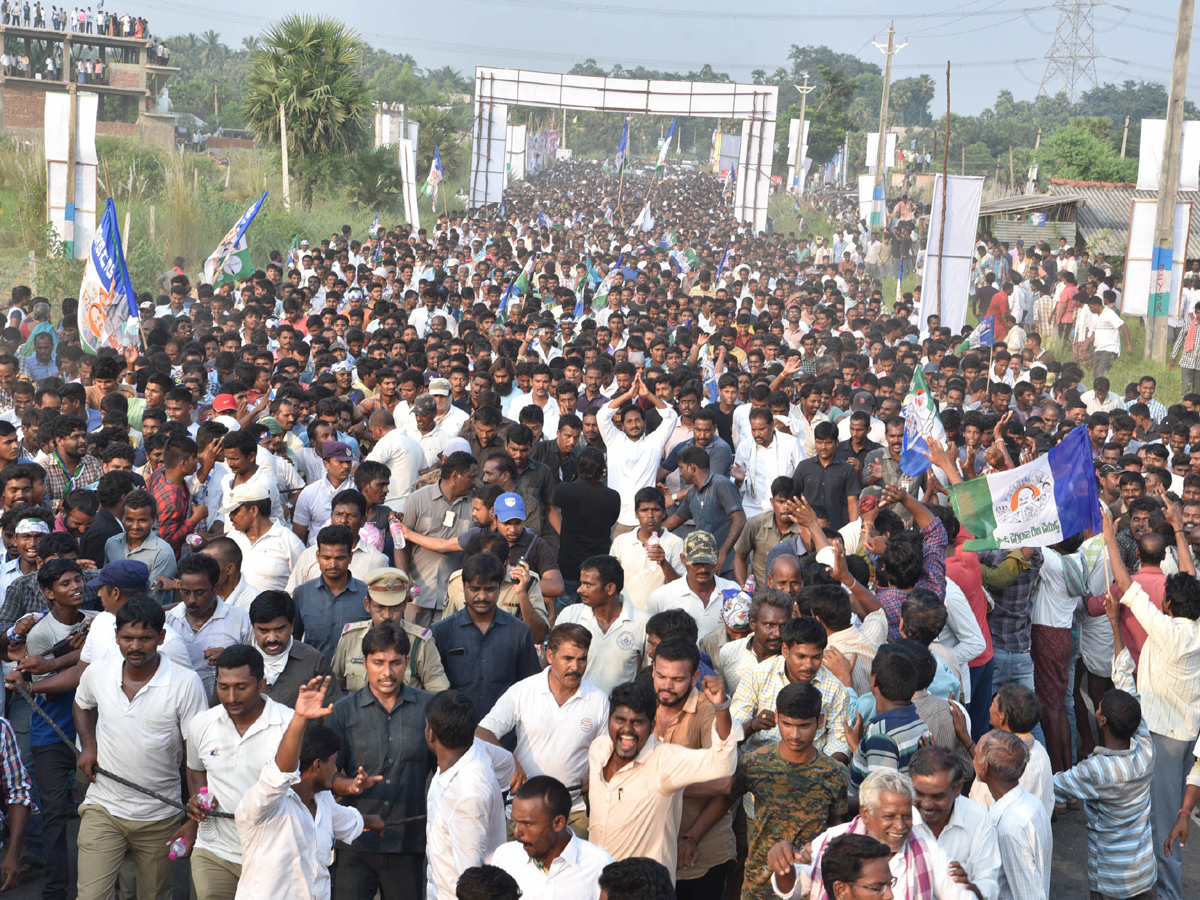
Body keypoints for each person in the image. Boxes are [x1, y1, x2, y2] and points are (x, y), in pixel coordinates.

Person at [73, 598, 208, 900]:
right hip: (103, 807)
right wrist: (88, 746)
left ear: (161, 638)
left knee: (155, 895)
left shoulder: (186, 684)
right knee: (91, 896)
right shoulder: (98, 672)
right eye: (127, 638)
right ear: (116, 636)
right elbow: (82, 705)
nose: (135, 646)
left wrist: (194, 813)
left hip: (160, 816)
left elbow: (195, 754)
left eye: (145, 638)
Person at [233, 676, 381, 900]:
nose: (336, 770)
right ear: (318, 765)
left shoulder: (323, 802)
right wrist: (300, 718)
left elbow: (348, 820)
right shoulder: (266, 803)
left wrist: (373, 821)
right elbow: (280, 774)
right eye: (333, 763)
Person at [587, 677, 741, 883]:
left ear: (651, 726)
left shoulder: (665, 761)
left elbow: (723, 764)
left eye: (637, 722)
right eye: (620, 720)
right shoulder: (598, 750)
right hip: (599, 883)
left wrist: (721, 707)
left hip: (645, 890)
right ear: (609, 720)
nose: (627, 730)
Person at [326, 622, 435, 900]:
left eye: (395, 663)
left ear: (407, 663)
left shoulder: (428, 708)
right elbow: (327, 775)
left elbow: (446, 767)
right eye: (378, 662)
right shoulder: (342, 712)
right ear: (364, 662)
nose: (387, 672)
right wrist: (349, 785)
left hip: (408, 842)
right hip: (354, 841)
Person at [182, 644, 293, 900]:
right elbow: (196, 769)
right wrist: (200, 799)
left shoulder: (288, 725)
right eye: (223, 687)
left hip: (273, 856)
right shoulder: (201, 724)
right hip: (215, 851)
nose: (231, 697)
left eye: (241, 687)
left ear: (261, 684)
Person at [477, 623, 608, 836]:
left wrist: (596, 777)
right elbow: (482, 732)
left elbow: (606, 753)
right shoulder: (522, 691)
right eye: (567, 659)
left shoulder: (599, 700)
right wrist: (509, 760)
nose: (575, 667)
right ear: (549, 655)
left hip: (575, 814)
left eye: (581, 659)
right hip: (522, 811)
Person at [767, 769, 969, 900]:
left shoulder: (928, 850)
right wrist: (784, 867)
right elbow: (792, 890)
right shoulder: (832, 842)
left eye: (906, 816)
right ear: (865, 813)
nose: (900, 826)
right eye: (889, 816)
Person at [425, 690, 515, 900]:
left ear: (431, 734)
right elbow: (508, 763)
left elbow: (472, 879)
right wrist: (493, 801)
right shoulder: (478, 747)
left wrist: (486, 798)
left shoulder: (468, 796)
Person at [432, 551, 541, 717]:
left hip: (505, 735)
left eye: (489, 589)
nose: (481, 596)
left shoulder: (520, 632)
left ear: (499, 588)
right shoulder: (441, 632)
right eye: (474, 589)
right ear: (463, 587)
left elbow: (530, 687)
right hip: (456, 732)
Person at [731, 615, 855, 761]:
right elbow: (730, 733)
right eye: (801, 657)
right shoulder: (758, 676)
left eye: (815, 657)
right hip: (761, 766)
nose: (808, 665)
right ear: (785, 650)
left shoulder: (835, 689)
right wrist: (752, 725)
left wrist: (824, 772)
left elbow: (840, 742)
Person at [488, 776, 614, 900]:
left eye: (527, 824)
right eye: (516, 822)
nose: (517, 833)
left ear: (558, 823)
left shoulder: (599, 864)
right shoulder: (505, 857)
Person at [332, 567, 449, 693]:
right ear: (367, 605)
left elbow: (439, 692)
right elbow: (333, 688)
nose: (387, 615)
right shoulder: (350, 637)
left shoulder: (420, 642)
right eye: (380, 608)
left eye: (394, 607)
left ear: (404, 604)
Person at [908, 747, 1002, 900]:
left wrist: (969, 886)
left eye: (937, 797)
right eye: (919, 793)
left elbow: (989, 885)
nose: (926, 805)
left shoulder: (978, 819)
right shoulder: (899, 819)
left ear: (958, 788)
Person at [972, 730, 1052, 900]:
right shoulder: (1032, 804)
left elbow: (1029, 895)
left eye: (975, 755)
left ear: (984, 769)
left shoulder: (1008, 828)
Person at [596, 371, 679, 534]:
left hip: (647, 521)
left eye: (637, 421)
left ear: (644, 422)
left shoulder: (654, 442)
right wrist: (628, 395)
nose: (634, 425)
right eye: (629, 421)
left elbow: (671, 417)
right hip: (617, 518)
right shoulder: (614, 440)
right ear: (622, 424)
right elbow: (602, 416)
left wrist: (648, 395)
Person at [163, 553, 254, 695]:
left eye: (200, 593)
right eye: (186, 592)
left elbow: (258, 662)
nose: (192, 600)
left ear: (216, 589)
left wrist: (232, 659)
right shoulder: (167, 621)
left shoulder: (240, 619)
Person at [556, 555, 647, 693]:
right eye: (581, 583)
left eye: (588, 585)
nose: (579, 589)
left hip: (618, 711)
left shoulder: (642, 623)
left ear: (610, 588)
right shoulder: (569, 615)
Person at [247, 591, 342, 709]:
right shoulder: (236, 661)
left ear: (292, 625)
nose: (272, 639)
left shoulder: (313, 661)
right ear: (252, 627)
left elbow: (333, 712)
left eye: (279, 629)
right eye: (264, 631)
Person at [292, 525, 370, 663]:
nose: (332, 564)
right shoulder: (301, 594)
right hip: (313, 676)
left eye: (339, 558)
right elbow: (294, 640)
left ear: (350, 557)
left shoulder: (368, 595)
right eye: (326, 558)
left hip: (355, 678)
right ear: (317, 556)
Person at [645, 530, 739, 637]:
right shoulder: (662, 596)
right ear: (683, 559)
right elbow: (649, 636)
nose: (703, 569)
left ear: (717, 557)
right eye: (696, 564)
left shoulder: (733, 592)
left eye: (708, 562)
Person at [609, 486, 685, 612]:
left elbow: (681, 587)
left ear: (664, 513)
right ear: (636, 514)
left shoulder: (675, 543)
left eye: (655, 510)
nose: (650, 516)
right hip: (626, 616)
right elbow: (610, 580)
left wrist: (664, 563)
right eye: (644, 510)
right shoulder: (621, 542)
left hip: (661, 617)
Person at [223, 482, 306, 594]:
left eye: (235, 511)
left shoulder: (288, 541)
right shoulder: (232, 539)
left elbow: (304, 583)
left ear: (253, 510)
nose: (230, 516)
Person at [104, 489, 177, 605]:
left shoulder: (163, 553)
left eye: (142, 520)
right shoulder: (111, 544)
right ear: (122, 517)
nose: (135, 526)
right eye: (129, 520)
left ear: (153, 520)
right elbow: (107, 582)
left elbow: (153, 598)